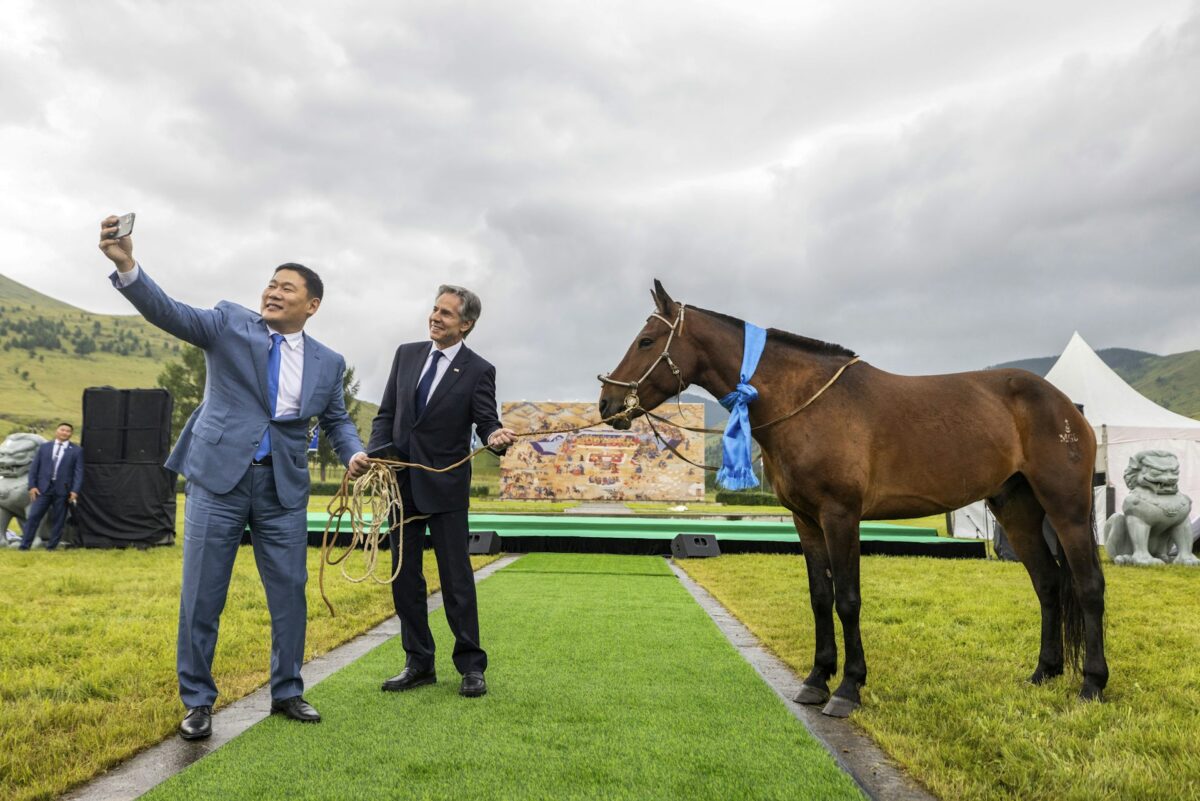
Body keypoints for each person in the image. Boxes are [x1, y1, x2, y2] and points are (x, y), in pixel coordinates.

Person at [98, 215, 370, 740]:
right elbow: (170, 312)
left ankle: (288, 691)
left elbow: (336, 420)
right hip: (217, 480)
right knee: (203, 594)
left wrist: (354, 454)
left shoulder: (328, 362)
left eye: (287, 287)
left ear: (312, 305)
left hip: (282, 489)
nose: (272, 291)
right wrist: (128, 265)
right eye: (271, 283)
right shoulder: (227, 322)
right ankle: (198, 701)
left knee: (289, 593)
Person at [368, 285, 515, 698]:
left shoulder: (478, 370)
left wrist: (497, 437)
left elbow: (486, 422)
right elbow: (387, 416)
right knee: (404, 578)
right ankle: (418, 663)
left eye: (446, 314)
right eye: (434, 309)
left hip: (447, 488)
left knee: (456, 579)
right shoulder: (406, 354)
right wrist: (375, 457)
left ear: (465, 324)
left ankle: (471, 665)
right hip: (400, 486)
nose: (435, 317)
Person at [19, 423, 84, 551]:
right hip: (42, 489)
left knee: (59, 519)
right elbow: (34, 468)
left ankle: (51, 547)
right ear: (57, 431)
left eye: (68, 431)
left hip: (63, 490)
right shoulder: (44, 447)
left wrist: (75, 491)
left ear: (70, 434)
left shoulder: (77, 450)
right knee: (33, 517)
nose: (64, 432)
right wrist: (32, 486)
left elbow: (79, 472)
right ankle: (24, 546)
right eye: (62, 430)